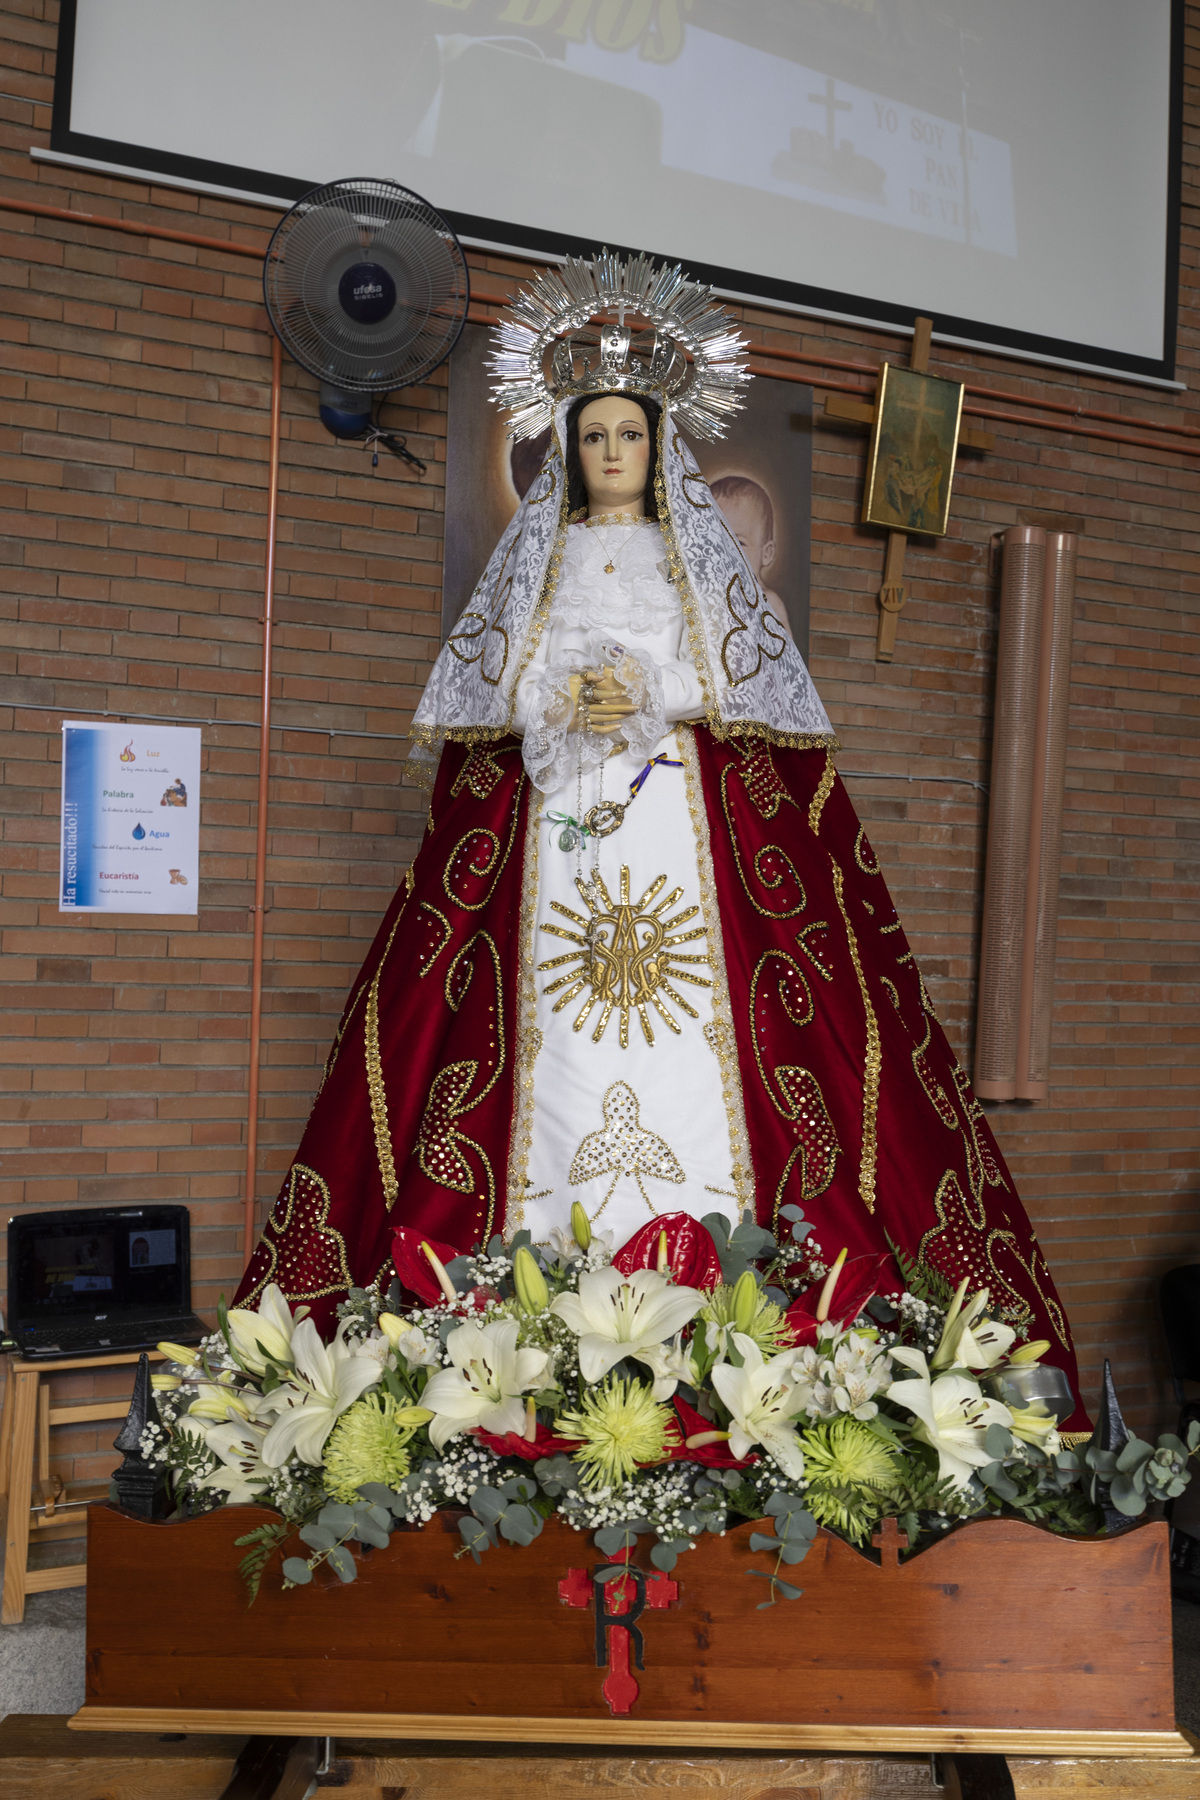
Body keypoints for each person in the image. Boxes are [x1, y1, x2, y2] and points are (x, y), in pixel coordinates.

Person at [235, 255, 1084, 1427]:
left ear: (660, 444)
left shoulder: (702, 559)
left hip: (675, 814)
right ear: (568, 451)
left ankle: (735, 1300)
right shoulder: (539, 559)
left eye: (633, 433)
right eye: (595, 437)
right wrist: (560, 700)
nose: (614, 453)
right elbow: (500, 684)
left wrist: (646, 685)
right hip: (564, 821)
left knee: (730, 1023)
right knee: (527, 1019)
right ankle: (521, 1298)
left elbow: (746, 677)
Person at [710, 474, 792, 642]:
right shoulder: (710, 594)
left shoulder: (769, 601)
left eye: (740, 543)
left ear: (766, 553)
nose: (727, 552)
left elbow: (788, 658)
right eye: (719, 541)